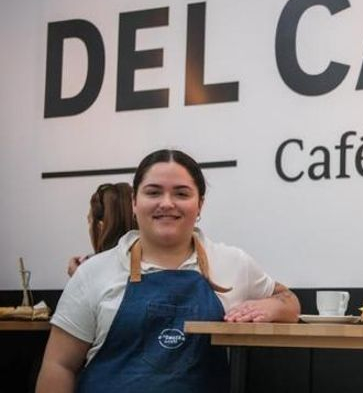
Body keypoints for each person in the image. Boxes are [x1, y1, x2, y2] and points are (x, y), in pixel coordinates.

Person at [37, 149, 301, 393]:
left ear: (200, 205)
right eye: (153, 192)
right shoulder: (93, 272)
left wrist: (271, 307)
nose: (167, 203)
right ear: (134, 202)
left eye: (181, 194)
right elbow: (59, 366)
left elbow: (289, 301)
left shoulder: (232, 262)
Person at [67, 182, 138, 277]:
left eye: (90, 221)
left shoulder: (89, 271)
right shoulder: (152, 263)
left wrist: (79, 279)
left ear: (100, 226)